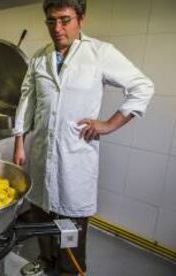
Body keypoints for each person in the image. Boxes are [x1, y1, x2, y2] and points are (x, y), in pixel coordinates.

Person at [13, 0, 154, 275]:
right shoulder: (40, 58)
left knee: (72, 224)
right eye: (51, 21)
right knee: (41, 212)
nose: (57, 28)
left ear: (81, 19)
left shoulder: (100, 53)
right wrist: (20, 142)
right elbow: (27, 100)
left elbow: (142, 87)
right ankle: (46, 260)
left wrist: (109, 125)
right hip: (42, 152)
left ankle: (70, 270)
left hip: (75, 157)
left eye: (65, 20)